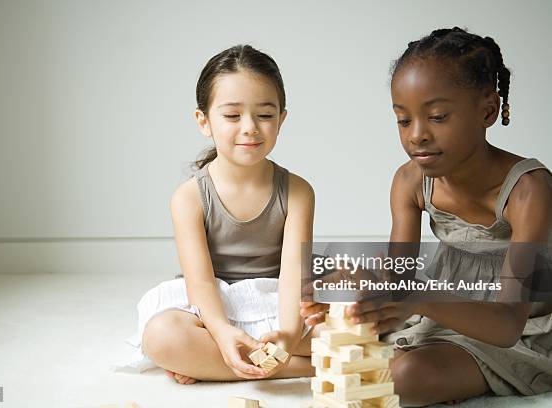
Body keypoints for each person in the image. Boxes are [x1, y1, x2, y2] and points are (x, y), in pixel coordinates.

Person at [300, 27, 552, 406]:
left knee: (402, 377)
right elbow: (398, 281)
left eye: (436, 117)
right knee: (326, 337)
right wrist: (357, 283)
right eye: (403, 120)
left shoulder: (528, 190)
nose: (416, 135)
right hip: (438, 313)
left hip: (520, 330)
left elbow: (505, 326)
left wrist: (418, 296)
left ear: (487, 109)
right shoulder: (409, 181)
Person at [137, 45, 316, 384]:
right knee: (162, 335)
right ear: (204, 121)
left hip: (280, 301)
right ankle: (303, 367)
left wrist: (290, 334)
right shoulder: (189, 197)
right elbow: (200, 282)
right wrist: (219, 331)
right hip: (215, 306)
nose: (250, 128)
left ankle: (213, 366)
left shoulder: (298, 191)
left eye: (265, 115)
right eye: (232, 116)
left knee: (357, 314)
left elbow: (294, 271)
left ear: (282, 118)